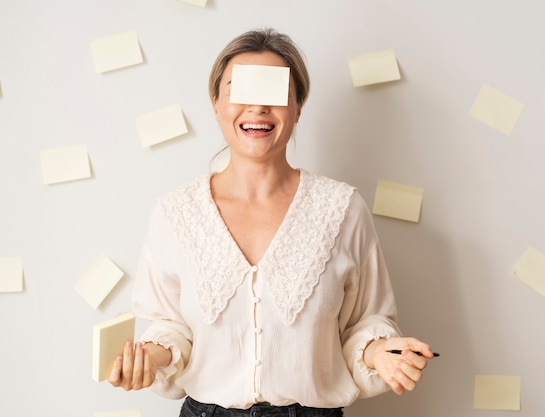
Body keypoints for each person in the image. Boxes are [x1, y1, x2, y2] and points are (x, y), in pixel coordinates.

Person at [108, 27, 436, 417]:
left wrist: (380, 349)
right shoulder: (175, 212)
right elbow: (172, 325)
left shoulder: (343, 209)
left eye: (274, 92)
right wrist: (149, 356)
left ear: (298, 106)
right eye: (240, 90)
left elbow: (364, 321)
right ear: (215, 103)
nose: (258, 108)